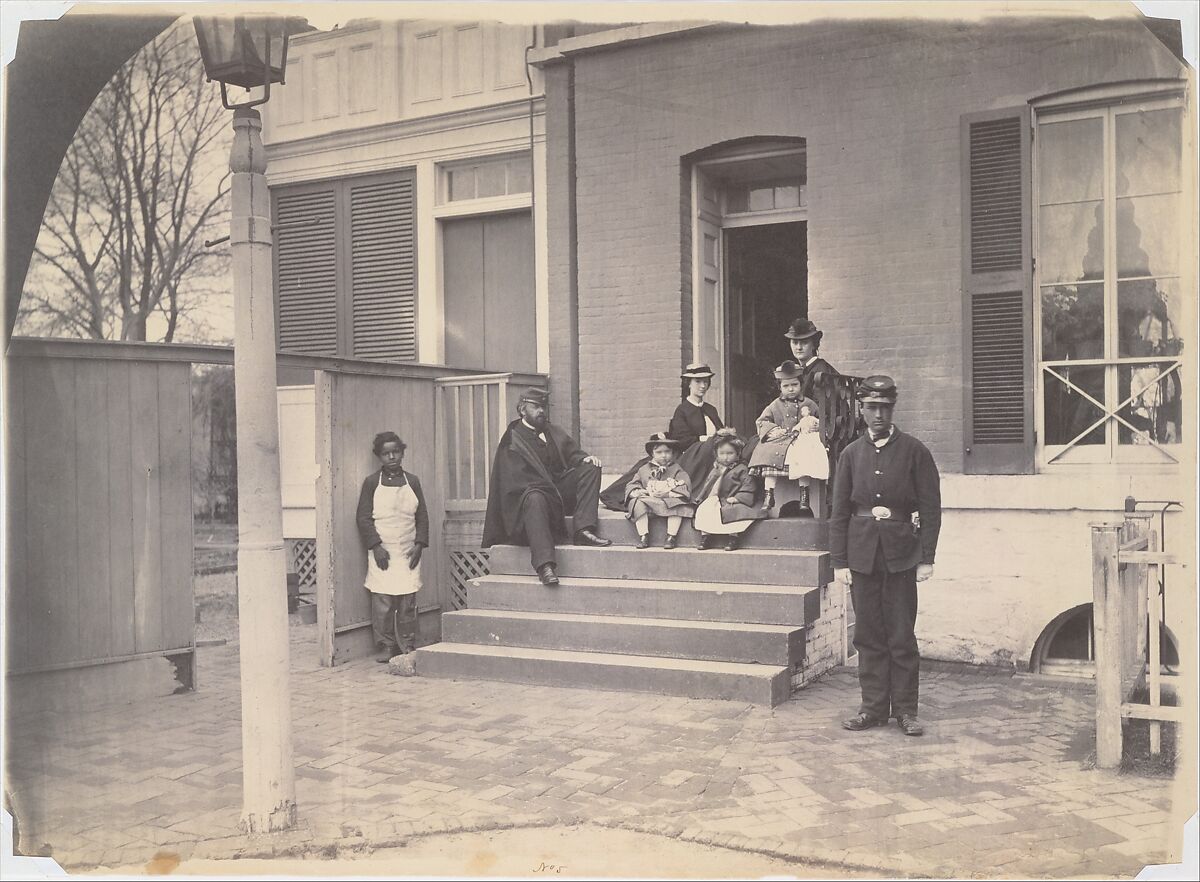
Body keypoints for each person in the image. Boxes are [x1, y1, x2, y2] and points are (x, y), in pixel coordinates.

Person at [830, 376, 942, 736]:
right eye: (871, 407)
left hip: (901, 555)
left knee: (901, 635)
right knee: (867, 634)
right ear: (861, 409)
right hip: (862, 554)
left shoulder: (914, 451)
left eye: (885, 407)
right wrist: (840, 561)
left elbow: (930, 507)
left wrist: (927, 557)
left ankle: (906, 711)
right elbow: (839, 512)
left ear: (893, 409)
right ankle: (873, 708)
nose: (878, 414)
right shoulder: (850, 454)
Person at [482, 387, 611, 586]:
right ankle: (545, 566)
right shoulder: (512, 439)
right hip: (530, 499)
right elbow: (513, 481)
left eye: (543, 407)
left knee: (591, 467)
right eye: (535, 407)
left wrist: (585, 458)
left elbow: (572, 454)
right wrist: (544, 488)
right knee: (535, 497)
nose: (541, 411)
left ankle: (583, 530)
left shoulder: (552, 431)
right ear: (522, 410)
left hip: (557, 494)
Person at [600, 363, 736, 511]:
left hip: (713, 453)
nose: (702, 385)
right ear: (689, 384)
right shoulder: (682, 410)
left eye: (705, 381)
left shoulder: (711, 409)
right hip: (691, 453)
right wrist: (704, 439)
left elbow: (721, 431)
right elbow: (681, 439)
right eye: (698, 381)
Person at [356, 431, 429, 662]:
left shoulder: (413, 481)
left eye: (395, 452)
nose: (391, 457)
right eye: (386, 453)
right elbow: (363, 518)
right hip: (383, 550)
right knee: (384, 601)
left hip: (408, 549)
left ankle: (407, 643)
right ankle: (386, 645)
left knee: (408, 599)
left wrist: (419, 544)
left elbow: (422, 517)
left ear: (402, 452)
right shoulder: (371, 483)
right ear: (379, 456)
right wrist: (376, 546)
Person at [747, 361, 821, 511]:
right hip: (781, 439)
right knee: (767, 452)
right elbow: (761, 421)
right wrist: (773, 430)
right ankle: (769, 494)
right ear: (780, 387)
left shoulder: (809, 404)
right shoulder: (775, 405)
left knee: (804, 457)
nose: (791, 389)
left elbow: (820, 420)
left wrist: (815, 425)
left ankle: (804, 495)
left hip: (800, 440)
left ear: (801, 385)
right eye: (786, 386)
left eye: (794, 385)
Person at [692, 435, 765, 551]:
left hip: (735, 500)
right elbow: (708, 486)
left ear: (738, 453)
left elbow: (749, 485)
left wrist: (738, 498)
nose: (725, 457)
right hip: (718, 499)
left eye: (730, 453)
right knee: (705, 509)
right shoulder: (716, 469)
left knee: (734, 513)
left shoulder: (742, 469)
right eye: (722, 453)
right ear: (716, 454)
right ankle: (705, 537)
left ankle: (733, 538)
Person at [625, 434, 695, 549]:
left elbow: (685, 484)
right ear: (652, 454)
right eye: (659, 452)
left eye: (667, 452)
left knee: (678, 505)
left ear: (672, 453)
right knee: (637, 502)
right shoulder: (644, 469)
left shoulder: (676, 469)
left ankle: (671, 536)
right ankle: (643, 535)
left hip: (668, 502)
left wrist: (670, 493)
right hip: (650, 503)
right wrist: (638, 491)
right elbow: (633, 484)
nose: (664, 455)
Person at [785, 318, 839, 400]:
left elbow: (822, 408)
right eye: (795, 343)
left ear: (814, 345)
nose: (799, 347)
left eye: (804, 343)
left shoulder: (822, 370)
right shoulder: (800, 370)